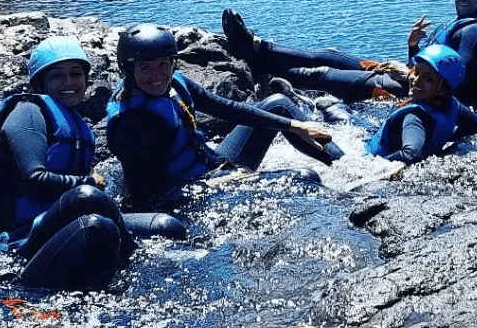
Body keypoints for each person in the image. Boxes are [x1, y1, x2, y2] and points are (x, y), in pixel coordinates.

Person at [0, 36, 186, 290]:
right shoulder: (27, 113)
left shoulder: (77, 125)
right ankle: (136, 262)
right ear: (41, 82)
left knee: (165, 226)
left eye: (76, 74)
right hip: (24, 239)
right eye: (58, 76)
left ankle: (177, 263)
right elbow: (34, 181)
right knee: (90, 204)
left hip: (67, 224)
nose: (69, 82)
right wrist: (89, 181)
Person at [106, 24, 342, 210]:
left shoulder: (174, 83)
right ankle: (343, 205)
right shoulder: (131, 124)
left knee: (278, 105)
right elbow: (148, 197)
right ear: (129, 69)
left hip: (213, 166)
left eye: (163, 64)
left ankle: (347, 168)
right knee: (305, 178)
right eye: (145, 68)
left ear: (173, 62)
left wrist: (293, 126)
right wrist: (217, 184)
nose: (157, 75)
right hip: (194, 193)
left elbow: (226, 108)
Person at [221, 0, 477, 105]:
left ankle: (262, 64)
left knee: (321, 74)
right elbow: (425, 64)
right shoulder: (457, 24)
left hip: (412, 90)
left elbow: (457, 81)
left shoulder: (472, 32)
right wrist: (413, 45)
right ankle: (257, 47)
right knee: (329, 55)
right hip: (408, 77)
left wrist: (410, 74)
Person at [363, 43, 477, 164]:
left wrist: (374, 166)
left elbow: (411, 155)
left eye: (428, 78)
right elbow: (474, 125)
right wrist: (447, 142)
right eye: (416, 72)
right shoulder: (453, 107)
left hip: (370, 159)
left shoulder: (413, 117)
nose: (417, 80)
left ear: (443, 89)